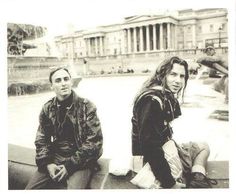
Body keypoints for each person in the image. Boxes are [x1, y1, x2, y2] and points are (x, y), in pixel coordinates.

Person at [131, 56, 216, 189]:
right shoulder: (151, 100)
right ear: (162, 74)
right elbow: (150, 146)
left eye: (182, 76)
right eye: (173, 74)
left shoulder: (163, 95)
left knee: (203, 146)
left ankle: (197, 178)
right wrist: (170, 183)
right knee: (203, 148)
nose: (178, 81)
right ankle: (197, 178)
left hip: (163, 150)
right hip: (150, 162)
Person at [25, 67, 103, 189]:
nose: (63, 83)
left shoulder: (87, 107)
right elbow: (41, 139)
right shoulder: (48, 108)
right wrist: (48, 163)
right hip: (56, 156)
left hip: (81, 159)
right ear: (52, 86)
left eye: (66, 79)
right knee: (30, 189)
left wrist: (69, 166)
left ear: (71, 82)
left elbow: (94, 142)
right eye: (58, 80)